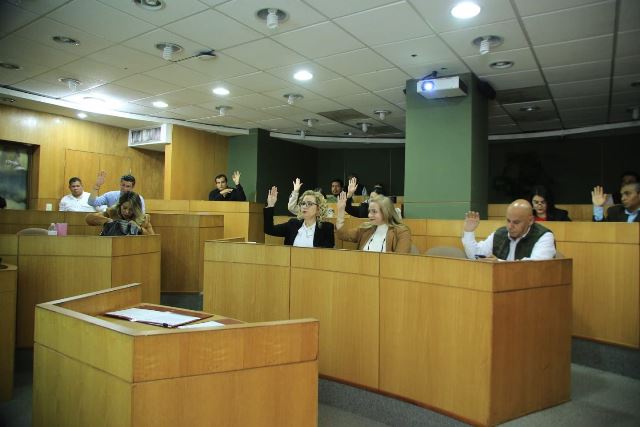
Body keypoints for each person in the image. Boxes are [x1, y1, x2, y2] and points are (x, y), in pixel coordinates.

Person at [462, 200, 556, 261]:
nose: (510, 226)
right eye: (508, 221)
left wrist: (498, 263)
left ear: (530, 220)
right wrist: (468, 232)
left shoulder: (544, 236)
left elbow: (534, 266)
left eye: (516, 222)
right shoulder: (500, 233)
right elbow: (475, 255)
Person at [335, 192, 411, 253]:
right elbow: (342, 234)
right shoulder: (365, 229)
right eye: (369, 211)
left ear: (386, 212)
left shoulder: (401, 232)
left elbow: (400, 259)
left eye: (374, 211)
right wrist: (341, 211)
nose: (369, 215)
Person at [264, 186, 334, 248]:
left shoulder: (326, 228)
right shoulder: (292, 224)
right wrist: (270, 205)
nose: (305, 206)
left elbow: (327, 253)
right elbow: (269, 229)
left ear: (318, 209)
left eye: (309, 204)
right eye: (303, 203)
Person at [86, 191, 154, 235]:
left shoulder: (143, 218)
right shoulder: (112, 212)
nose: (127, 212)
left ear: (136, 209)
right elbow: (89, 218)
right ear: (120, 205)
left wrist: (139, 229)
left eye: (131, 209)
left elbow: (152, 238)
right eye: (124, 208)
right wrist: (108, 221)